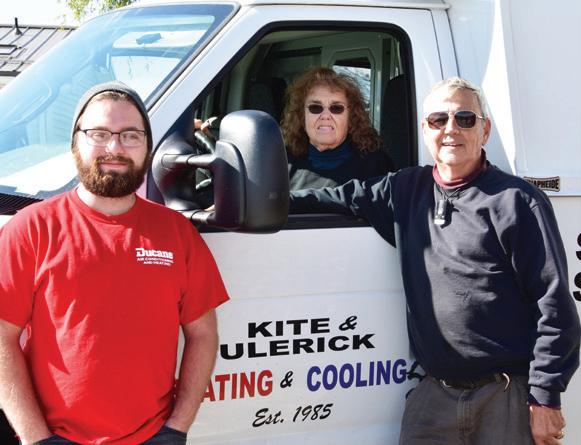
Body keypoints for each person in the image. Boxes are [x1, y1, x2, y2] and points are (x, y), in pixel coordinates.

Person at [290, 77, 580, 444]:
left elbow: (554, 306)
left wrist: (545, 396)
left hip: (504, 396)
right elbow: (336, 197)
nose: (450, 129)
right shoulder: (404, 189)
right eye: (438, 119)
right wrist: (253, 198)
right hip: (434, 395)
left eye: (465, 119)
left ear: (485, 130)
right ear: (425, 130)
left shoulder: (516, 201)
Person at [0, 82, 230, 445]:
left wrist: (176, 428)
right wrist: (36, 437)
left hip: (152, 437)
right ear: (75, 142)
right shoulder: (31, 229)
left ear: (148, 147)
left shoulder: (177, 234)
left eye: (131, 135)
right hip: (55, 437)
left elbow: (203, 334)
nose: (115, 148)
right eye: (99, 133)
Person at [281, 67, 393, 190]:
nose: (325, 116)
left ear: (350, 117)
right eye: (315, 107)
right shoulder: (283, 164)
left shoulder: (375, 165)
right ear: (302, 116)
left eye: (336, 108)